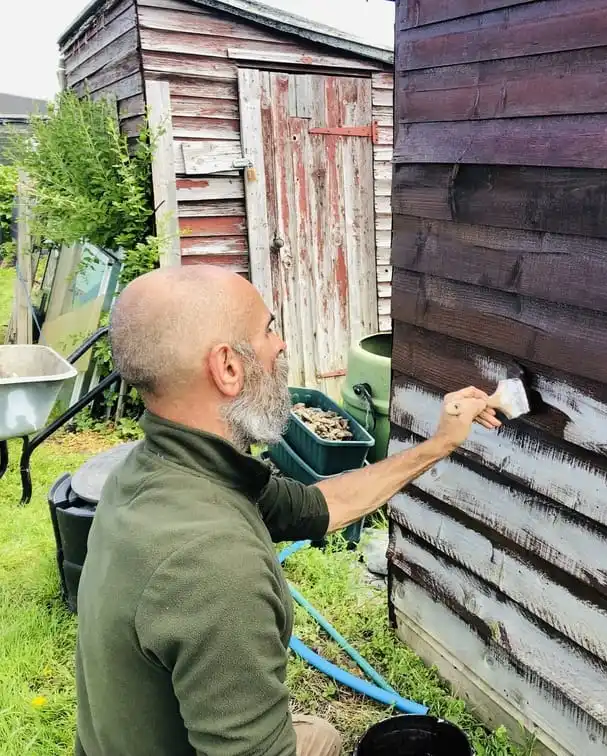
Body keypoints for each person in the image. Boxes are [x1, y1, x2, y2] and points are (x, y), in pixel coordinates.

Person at [72, 265, 500, 756]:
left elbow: (321, 505)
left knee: (321, 735)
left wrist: (439, 445)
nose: (280, 346)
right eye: (269, 329)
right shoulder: (213, 568)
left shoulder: (151, 471)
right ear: (228, 368)